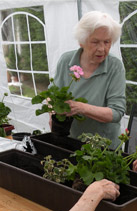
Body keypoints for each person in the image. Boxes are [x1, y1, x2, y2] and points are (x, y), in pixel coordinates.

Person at [53, 11, 126, 149]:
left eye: (107, 42)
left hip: (103, 147)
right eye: (95, 42)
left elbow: (116, 113)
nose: (102, 49)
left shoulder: (115, 67)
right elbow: (52, 95)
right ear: (82, 42)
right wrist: (53, 112)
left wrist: (81, 108)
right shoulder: (66, 61)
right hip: (69, 142)